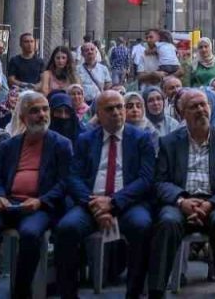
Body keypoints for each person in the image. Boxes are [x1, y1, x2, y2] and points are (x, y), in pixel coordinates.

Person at [56, 89, 158, 299]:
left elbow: (146, 179)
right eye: (109, 109)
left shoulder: (142, 139)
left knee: (142, 226)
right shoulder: (85, 139)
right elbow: (73, 177)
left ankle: (134, 293)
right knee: (66, 228)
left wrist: (112, 203)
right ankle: (68, 294)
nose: (117, 113)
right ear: (98, 114)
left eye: (120, 107)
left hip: (128, 204)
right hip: (90, 203)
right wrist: (94, 204)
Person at [0, 91, 72, 299]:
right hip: (8, 203)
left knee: (29, 233)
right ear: (23, 117)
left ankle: (20, 293)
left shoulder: (61, 144)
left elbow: (65, 183)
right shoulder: (10, 145)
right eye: (35, 111)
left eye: (45, 109)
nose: (42, 115)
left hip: (39, 205)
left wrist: (40, 201)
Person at [148, 88, 215, 299]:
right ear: (182, 114)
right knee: (167, 221)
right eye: (194, 106)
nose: (200, 110)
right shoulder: (169, 142)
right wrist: (182, 201)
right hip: (180, 202)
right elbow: (160, 181)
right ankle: (156, 292)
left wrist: (210, 204)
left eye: (203, 105)